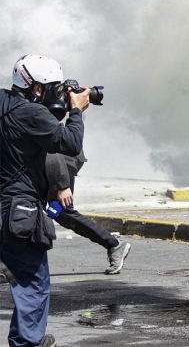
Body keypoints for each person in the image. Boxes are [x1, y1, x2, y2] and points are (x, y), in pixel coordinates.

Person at [0, 54, 89, 347]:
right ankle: (27, 342)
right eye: (53, 88)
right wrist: (76, 111)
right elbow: (70, 143)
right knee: (32, 284)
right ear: (36, 89)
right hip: (18, 211)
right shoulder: (32, 115)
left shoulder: (4, 104)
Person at [46, 151, 131, 275]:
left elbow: (51, 146)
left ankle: (114, 244)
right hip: (49, 164)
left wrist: (62, 185)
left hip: (58, 163)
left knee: (62, 213)